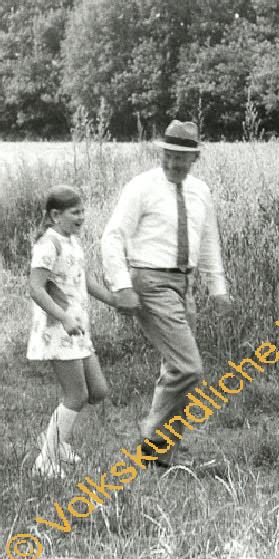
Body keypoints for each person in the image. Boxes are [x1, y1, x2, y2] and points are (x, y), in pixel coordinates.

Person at [101, 120, 233, 469]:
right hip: (150, 280)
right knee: (189, 368)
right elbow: (113, 236)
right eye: (169, 156)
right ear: (162, 153)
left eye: (182, 157)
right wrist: (122, 285)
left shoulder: (201, 191)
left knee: (175, 368)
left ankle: (162, 455)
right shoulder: (141, 186)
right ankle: (152, 440)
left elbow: (209, 242)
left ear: (195, 158)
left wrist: (218, 289)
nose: (174, 163)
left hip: (183, 284)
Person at [28, 186, 116, 479]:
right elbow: (36, 289)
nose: (82, 217)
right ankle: (45, 462)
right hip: (58, 329)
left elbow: (85, 281)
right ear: (56, 215)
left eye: (82, 211)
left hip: (78, 329)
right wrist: (63, 317)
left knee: (98, 391)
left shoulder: (73, 242)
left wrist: (114, 300)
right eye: (75, 212)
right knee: (76, 394)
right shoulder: (48, 244)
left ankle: (57, 438)